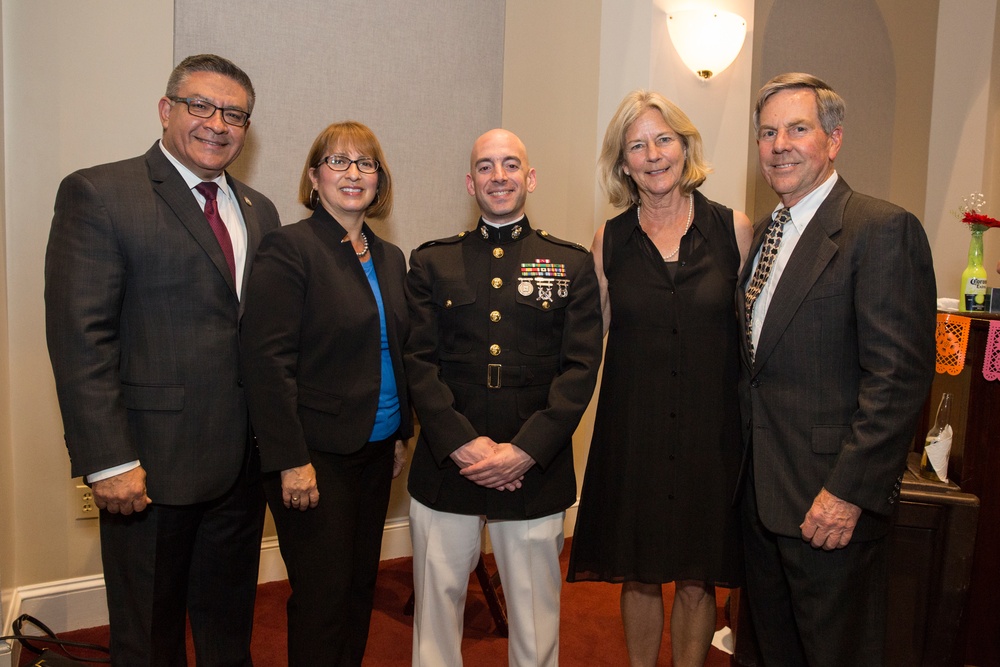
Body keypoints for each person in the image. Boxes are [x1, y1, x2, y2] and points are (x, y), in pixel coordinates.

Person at [44, 54, 280, 664]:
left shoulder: (259, 209)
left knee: (229, 627)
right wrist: (108, 461)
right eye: (201, 105)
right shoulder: (99, 192)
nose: (217, 124)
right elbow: (81, 338)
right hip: (149, 468)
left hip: (240, 464)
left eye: (234, 114)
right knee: (149, 637)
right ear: (166, 109)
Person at [738, 73, 936, 666]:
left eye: (797, 129)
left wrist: (847, 493)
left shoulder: (880, 229)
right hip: (761, 498)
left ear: (834, 139)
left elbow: (897, 380)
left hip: (829, 505)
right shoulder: (766, 235)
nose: (779, 145)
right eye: (768, 133)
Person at [566, 90, 753, 667]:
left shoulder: (735, 231)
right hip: (635, 432)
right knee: (641, 573)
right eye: (637, 145)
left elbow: (758, 340)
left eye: (663, 140)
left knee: (699, 577)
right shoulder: (608, 242)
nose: (653, 155)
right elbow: (583, 345)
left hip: (711, 436)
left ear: (685, 146)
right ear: (623, 163)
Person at [403, 129, 603, 666]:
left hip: (534, 469)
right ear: (471, 183)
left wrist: (525, 450)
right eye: (486, 167)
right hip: (449, 467)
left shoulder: (571, 264)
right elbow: (418, 364)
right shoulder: (430, 263)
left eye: (510, 165)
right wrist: (463, 445)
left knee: (536, 621)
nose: (499, 176)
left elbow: (580, 370)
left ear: (529, 178)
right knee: (435, 617)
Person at [240, 121, 411, 666]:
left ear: (379, 179)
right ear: (314, 178)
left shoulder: (390, 257)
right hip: (315, 456)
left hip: (376, 448)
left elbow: (395, 352)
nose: (353, 173)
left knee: (361, 587)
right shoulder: (289, 249)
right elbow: (267, 364)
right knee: (323, 598)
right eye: (338, 162)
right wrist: (291, 460)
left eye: (365, 163)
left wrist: (402, 431)